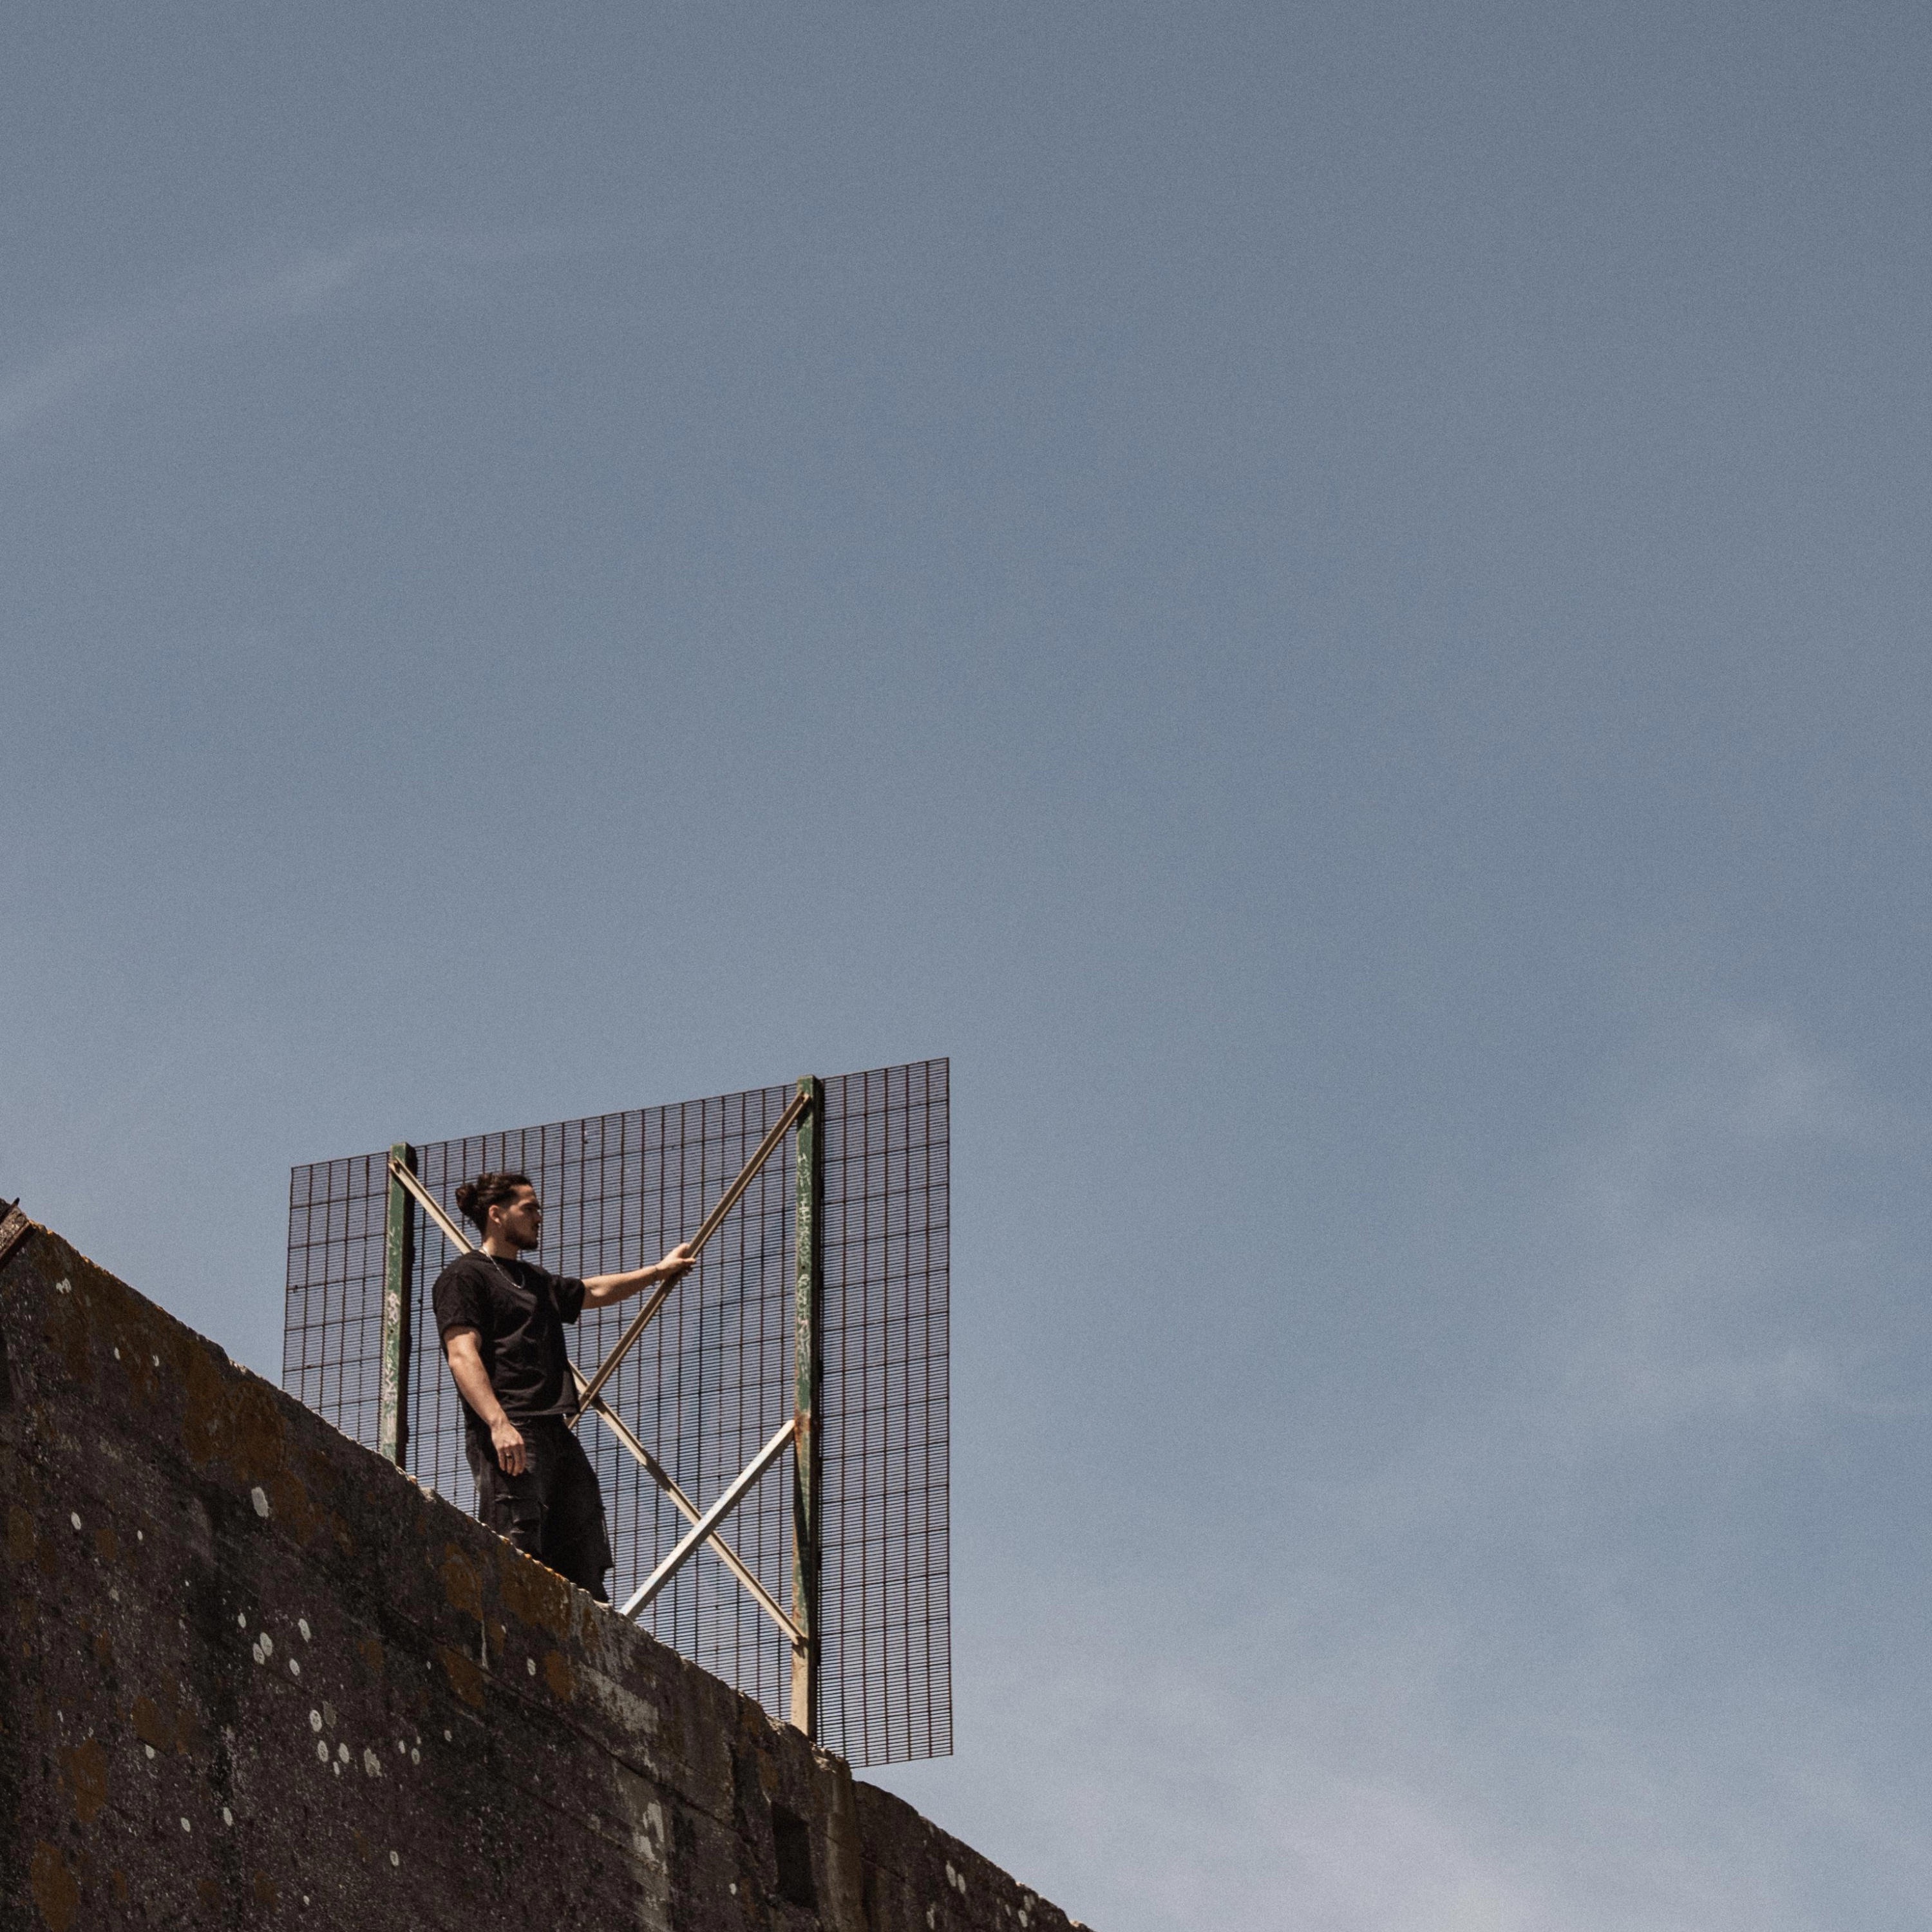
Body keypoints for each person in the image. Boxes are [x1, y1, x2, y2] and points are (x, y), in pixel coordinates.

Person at [432, 1170, 694, 1601]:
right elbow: (462, 1354)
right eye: (529, 1208)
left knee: (583, 1549)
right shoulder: (465, 1277)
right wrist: (498, 1424)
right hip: (513, 1428)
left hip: (555, 1429)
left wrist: (659, 1271)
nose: (540, 1217)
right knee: (517, 1545)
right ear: (496, 1215)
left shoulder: (535, 1281)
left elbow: (594, 1291)